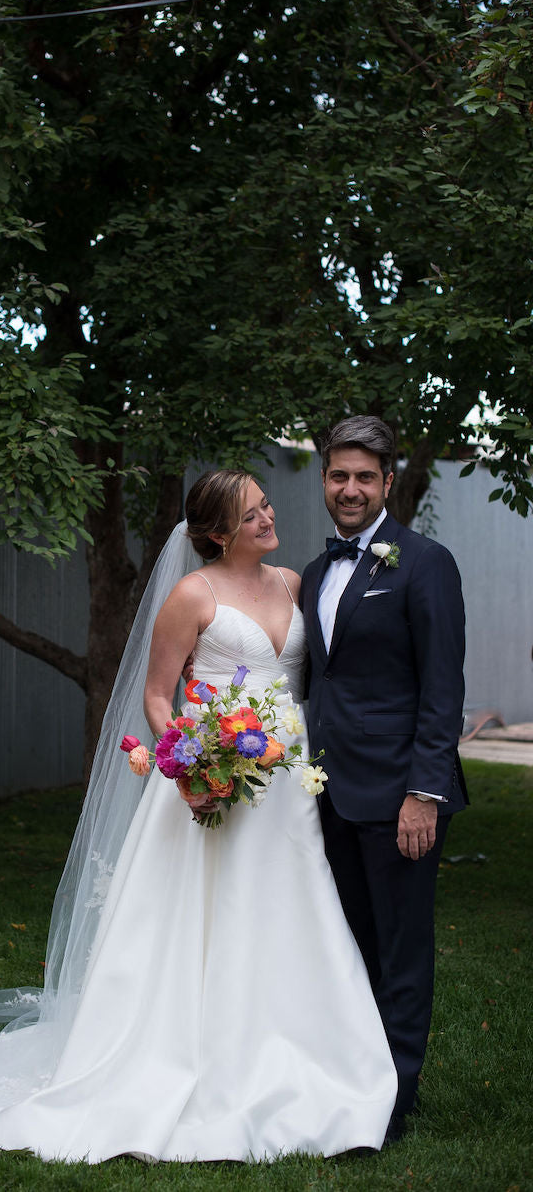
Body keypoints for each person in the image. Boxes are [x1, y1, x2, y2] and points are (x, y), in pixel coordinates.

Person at [0, 471, 397, 1161]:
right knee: (200, 920)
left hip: (284, 789)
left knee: (291, 912)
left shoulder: (295, 584)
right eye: (251, 514)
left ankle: (300, 1056)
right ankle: (189, 1056)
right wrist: (189, 767)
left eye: (266, 504)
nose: (269, 517)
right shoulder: (191, 595)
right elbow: (156, 698)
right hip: (212, 784)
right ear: (216, 532)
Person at [299, 417, 468, 1143]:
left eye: (366, 477)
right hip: (326, 794)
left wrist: (423, 793)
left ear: (389, 483)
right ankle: (355, 1078)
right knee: (348, 948)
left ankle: (398, 1097)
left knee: (401, 950)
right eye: (339, 475)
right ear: (325, 480)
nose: (351, 488)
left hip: (401, 793)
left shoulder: (425, 562)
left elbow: (442, 689)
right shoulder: (312, 573)